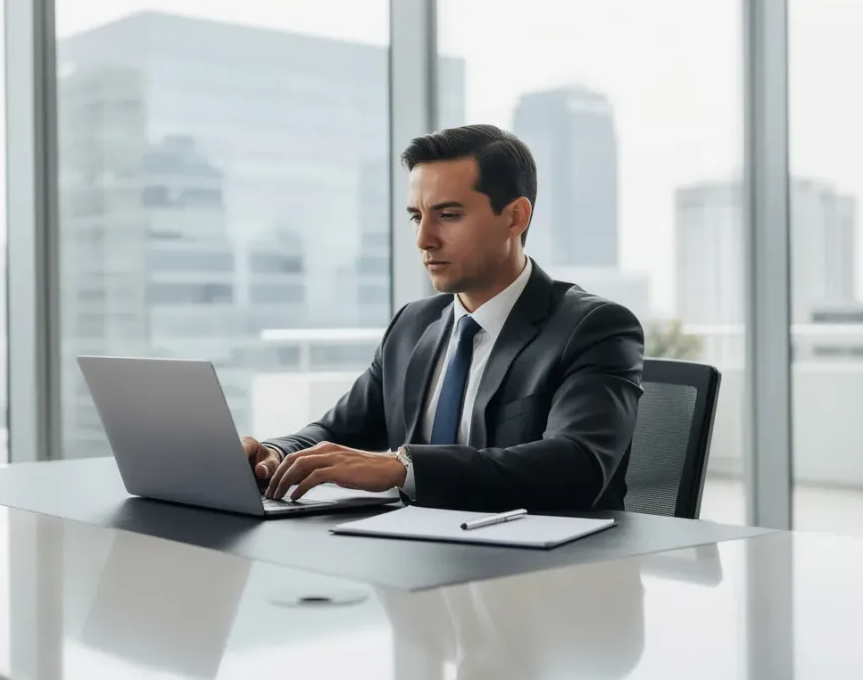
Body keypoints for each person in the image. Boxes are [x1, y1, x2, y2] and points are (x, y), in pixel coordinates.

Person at [243, 124, 645, 512]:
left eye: (448, 215)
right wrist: (276, 453)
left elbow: (576, 465)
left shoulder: (594, 328)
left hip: (543, 567)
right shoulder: (412, 326)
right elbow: (337, 433)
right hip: (417, 557)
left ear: (515, 217)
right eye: (417, 217)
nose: (424, 239)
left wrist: (402, 469)